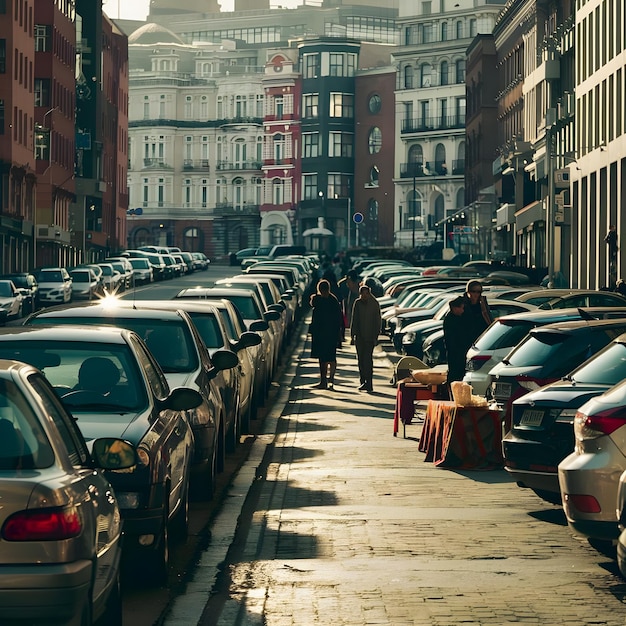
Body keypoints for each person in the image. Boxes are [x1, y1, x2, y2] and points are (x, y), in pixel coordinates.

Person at [309, 279, 343, 389]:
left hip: (329, 333)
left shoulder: (332, 301)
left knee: (330, 357)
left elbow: (338, 319)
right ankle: (324, 380)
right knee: (323, 358)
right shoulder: (320, 301)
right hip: (323, 333)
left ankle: (330, 379)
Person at [351, 284, 382, 392]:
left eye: (366, 294)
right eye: (362, 294)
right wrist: (352, 334)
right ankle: (363, 380)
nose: (364, 296)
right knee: (360, 360)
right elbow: (354, 319)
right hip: (359, 337)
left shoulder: (374, 304)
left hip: (369, 337)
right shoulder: (358, 303)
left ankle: (369, 383)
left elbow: (378, 321)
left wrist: (376, 336)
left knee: (367, 360)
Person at [442, 296, 469, 383]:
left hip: (458, 350)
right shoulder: (450, 319)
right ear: (455, 308)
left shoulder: (459, 318)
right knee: (454, 373)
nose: (463, 310)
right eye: (461, 308)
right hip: (455, 351)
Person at [461, 280, 493, 349]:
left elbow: (488, 319)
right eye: (473, 291)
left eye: (478, 292)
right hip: (466, 339)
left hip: (481, 339)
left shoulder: (483, 304)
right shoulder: (463, 305)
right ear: (468, 292)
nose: (476, 294)